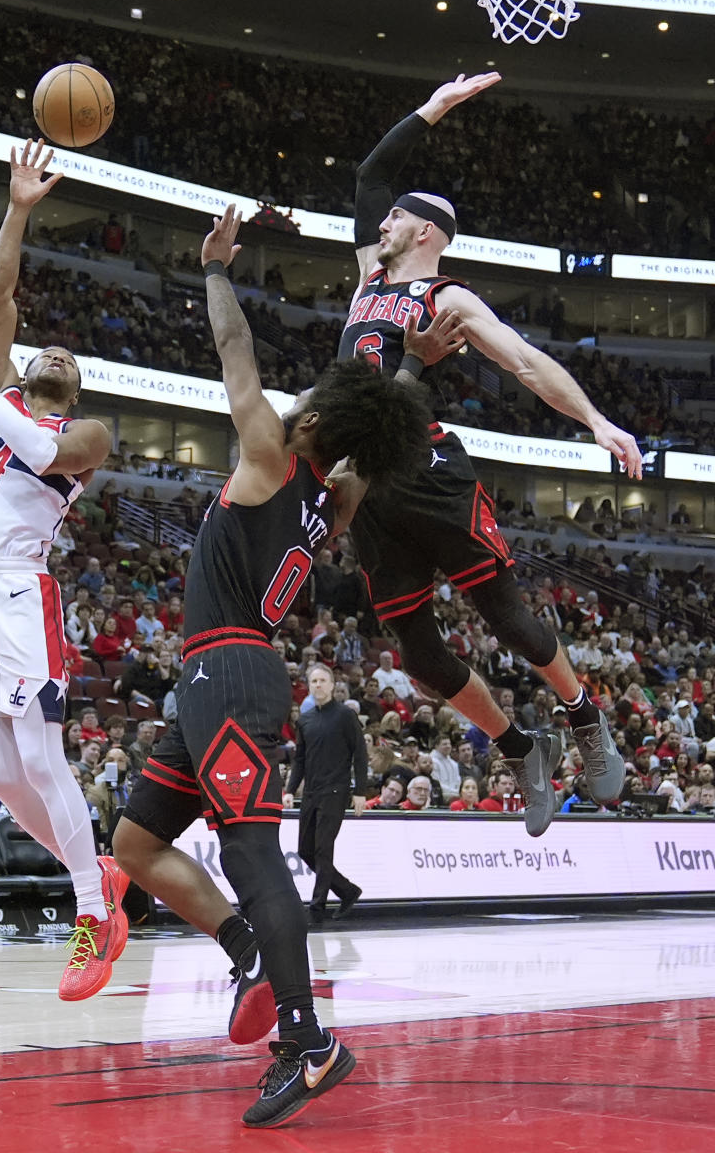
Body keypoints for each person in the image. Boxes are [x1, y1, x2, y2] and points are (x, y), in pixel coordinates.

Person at [112, 205, 433, 1129]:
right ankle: (249, 946)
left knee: (250, 848)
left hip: (230, 672)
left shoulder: (269, 457)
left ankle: (308, 1040)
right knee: (135, 845)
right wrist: (404, 369)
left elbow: (234, 354)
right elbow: (364, 456)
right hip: (219, 680)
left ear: (317, 420)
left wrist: (217, 270)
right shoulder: (322, 507)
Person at [339, 72, 635, 838]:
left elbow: (529, 364)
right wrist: (432, 110)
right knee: (418, 657)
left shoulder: (449, 299)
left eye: (398, 218)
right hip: (366, 484)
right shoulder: (366, 278)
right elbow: (371, 174)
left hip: (424, 467)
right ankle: (517, 745)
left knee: (510, 622)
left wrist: (597, 421)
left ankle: (582, 715)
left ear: (427, 232)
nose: (384, 220)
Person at [0, 139, 127, 1002]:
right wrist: (18, 206)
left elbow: (45, 450)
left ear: (75, 384)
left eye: (66, 358)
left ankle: (93, 912)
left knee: (42, 755)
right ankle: (101, 876)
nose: (50, 353)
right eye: (41, 351)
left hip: (19, 589)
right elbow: (0, 296)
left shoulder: (83, 435)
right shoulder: (1, 392)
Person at [282, 664, 367, 924]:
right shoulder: (305, 720)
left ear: (332, 685)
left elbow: (360, 753)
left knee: (322, 848)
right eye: (314, 681)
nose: (318, 685)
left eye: (322, 680)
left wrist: (360, 791)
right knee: (305, 850)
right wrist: (288, 789)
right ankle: (347, 890)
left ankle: (317, 907)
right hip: (310, 793)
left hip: (336, 790)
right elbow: (300, 760)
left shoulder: (345, 715)